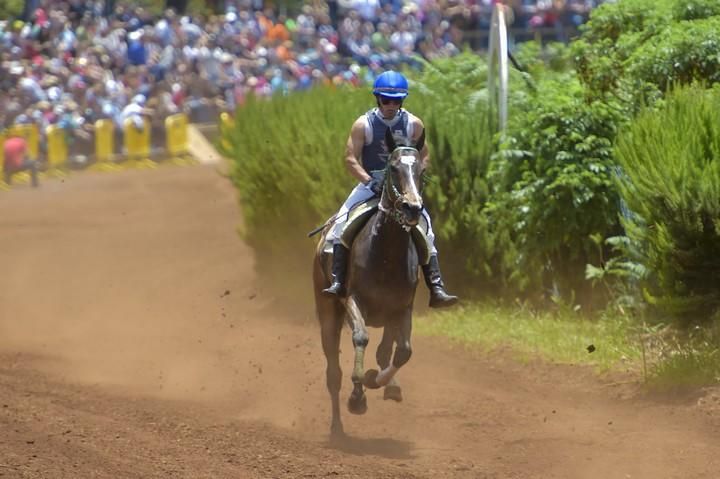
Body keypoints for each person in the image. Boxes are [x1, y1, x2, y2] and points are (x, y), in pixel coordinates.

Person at [322, 70, 458, 308]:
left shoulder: (414, 124)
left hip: (402, 188)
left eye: (396, 100)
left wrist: (413, 180)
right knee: (339, 227)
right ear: (377, 99)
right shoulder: (363, 124)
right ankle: (338, 282)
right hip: (370, 186)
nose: (391, 105)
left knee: (426, 230)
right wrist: (368, 181)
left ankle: (436, 287)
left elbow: (425, 156)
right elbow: (350, 158)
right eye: (386, 100)